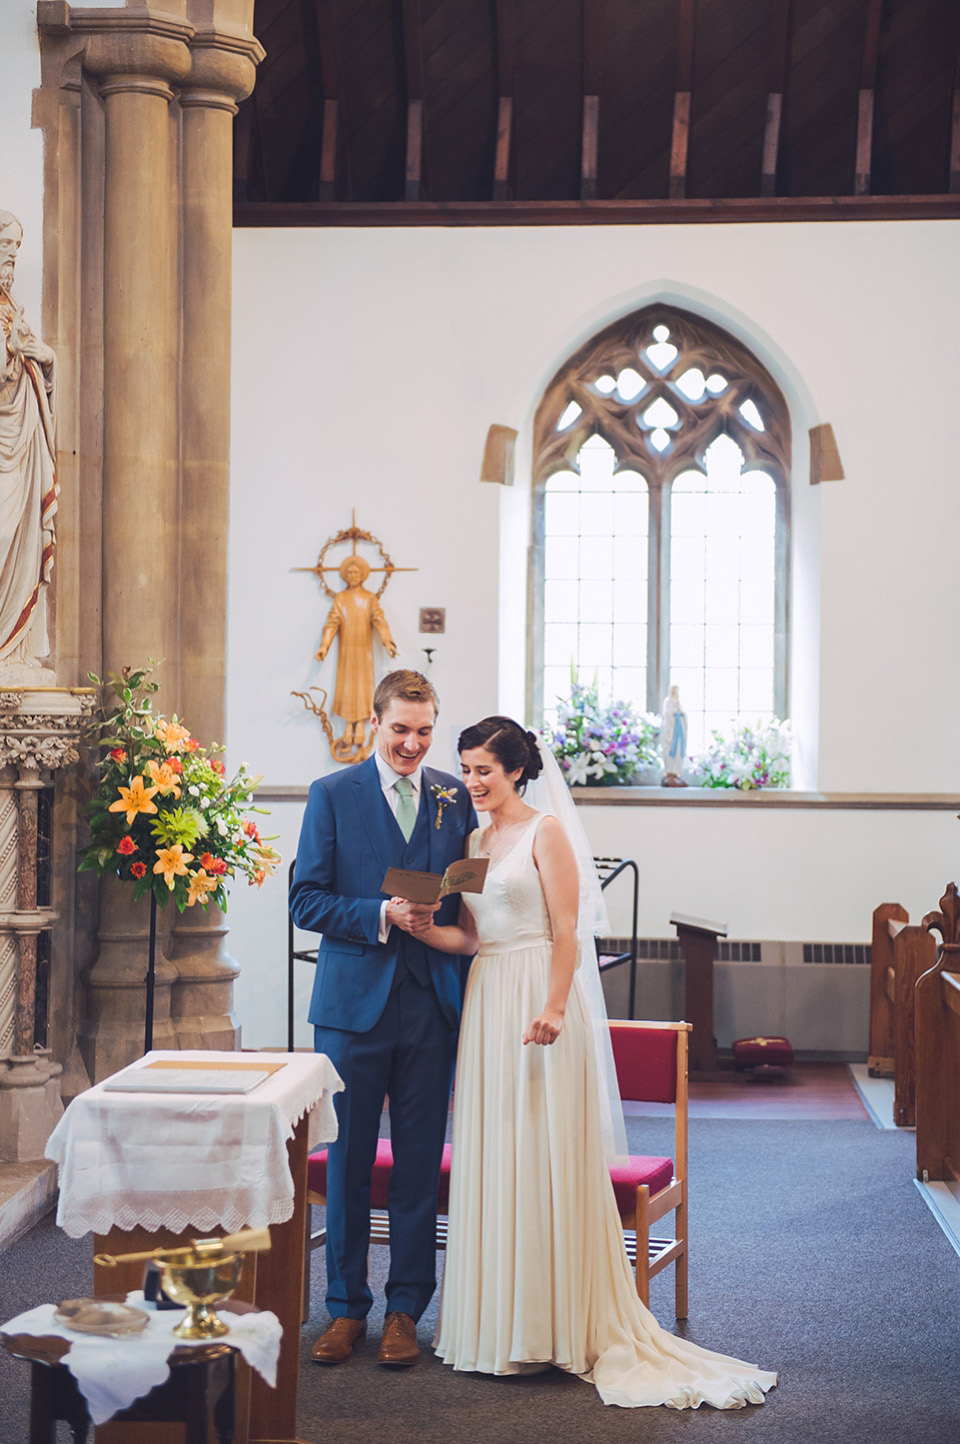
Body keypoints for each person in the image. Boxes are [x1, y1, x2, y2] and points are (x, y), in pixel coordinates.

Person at [416, 716, 777, 1409]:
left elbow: (566, 932)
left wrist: (554, 1007)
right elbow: (470, 938)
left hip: (542, 1003)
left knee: (542, 1151)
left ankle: (556, 1325)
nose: (472, 783)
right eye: (465, 770)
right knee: (497, 1154)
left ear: (517, 770)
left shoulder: (545, 833)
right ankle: (498, 1325)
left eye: (483, 770)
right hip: (490, 999)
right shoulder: (471, 841)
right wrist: (424, 927)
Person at [290, 669, 477, 1368]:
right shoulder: (333, 795)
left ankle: (405, 1310)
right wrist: (379, 914)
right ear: (375, 723)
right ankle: (344, 1311)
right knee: (346, 1160)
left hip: (430, 1000)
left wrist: (443, 913)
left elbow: (467, 898)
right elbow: (306, 900)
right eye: (400, 728)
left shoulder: (454, 799)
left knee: (419, 1166)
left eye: (424, 731)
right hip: (351, 1009)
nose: (411, 742)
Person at [0, 210, 58, 665]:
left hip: (21, 447)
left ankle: (12, 647)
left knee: (18, 535)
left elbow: (29, 364)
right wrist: (9, 357)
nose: (11, 258)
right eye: (5, 246)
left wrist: (44, 356)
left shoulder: (10, 310)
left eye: (16, 249)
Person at [315, 555, 397, 749]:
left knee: (362, 688)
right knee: (345, 688)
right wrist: (324, 646)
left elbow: (379, 620)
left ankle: (359, 726)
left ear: (362, 576)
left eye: (355, 572)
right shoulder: (341, 599)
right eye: (349, 572)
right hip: (346, 652)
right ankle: (346, 728)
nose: (352, 575)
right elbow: (332, 624)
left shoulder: (369, 599)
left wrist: (387, 642)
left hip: (364, 652)